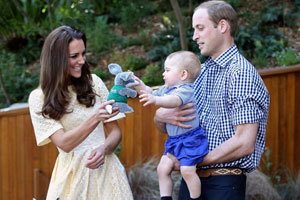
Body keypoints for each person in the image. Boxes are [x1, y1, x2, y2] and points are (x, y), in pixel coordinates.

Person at [153, 1, 270, 200]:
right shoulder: (199, 74)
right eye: (193, 30)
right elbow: (171, 125)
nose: (194, 36)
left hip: (223, 186)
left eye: (200, 28)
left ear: (222, 26)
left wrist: (193, 161)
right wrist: (160, 115)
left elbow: (244, 142)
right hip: (191, 182)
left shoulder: (241, 74)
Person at [28, 25, 133, 200]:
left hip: (107, 174)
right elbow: (64, 143)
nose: (82, 61)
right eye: (74, 56)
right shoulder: (39, 98)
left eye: (83, 54)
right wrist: (95, 118)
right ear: (56, 60)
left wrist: (103, 149)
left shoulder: (95, 83)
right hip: (71, 179)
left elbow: (115, 132)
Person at [134, 51, 208, 200]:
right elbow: (149, 91)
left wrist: (155, 100)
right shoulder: (166, 89)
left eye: (167, 70)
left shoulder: (186, 90)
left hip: (190, 140)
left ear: (183, 75)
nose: (163, 74)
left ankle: (196, 198)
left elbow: (174, 101)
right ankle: (165, 198)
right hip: (174, 140)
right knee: (162, 168)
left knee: (187, 171)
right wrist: (139, 85)